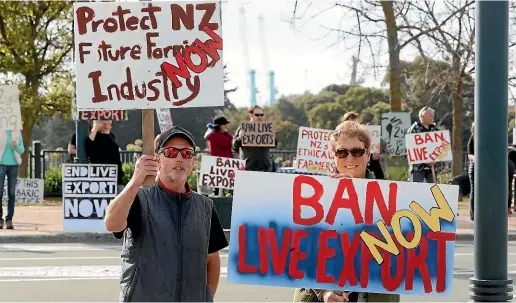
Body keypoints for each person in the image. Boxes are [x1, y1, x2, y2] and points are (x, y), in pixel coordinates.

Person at [104, 125, 228, 302]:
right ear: (157, 159)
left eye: (186, 153)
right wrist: (135, 182)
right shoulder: (139, 198)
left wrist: (206, 298)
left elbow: (212, 261)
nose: (179, 158)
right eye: (170, 152)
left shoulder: (205, 206)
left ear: (193, 161)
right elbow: (111, 224)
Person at [292, 121, 399, 303]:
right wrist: (324, 292)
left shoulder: (389, 197)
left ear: (367, 153)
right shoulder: (313, 197)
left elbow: (401, 249)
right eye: (342, 152)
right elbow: (300, 251)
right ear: (333, 156)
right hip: (323, 294)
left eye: (357, 152)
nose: (350, 159)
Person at [342, 112, 387, 179]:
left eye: (356, 121)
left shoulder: (361, 132)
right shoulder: (340, 133)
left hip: (361, 157)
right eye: (351, 120)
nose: (353, 123)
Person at [233, 105, 277, 172]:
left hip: (265, 168)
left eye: (262, 115)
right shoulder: (242, 128)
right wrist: (239, 138)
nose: (260, 117)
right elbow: (234, 146)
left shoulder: (267, 129)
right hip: (247, 168)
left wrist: (274, 137)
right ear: (251, 115)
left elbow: (274, 145)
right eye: (257, 115)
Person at [85, 120, 124, 192]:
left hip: (116, 175)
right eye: (108, 120)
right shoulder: (94, 136)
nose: (110, 122)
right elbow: (88, 144)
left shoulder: (111, 135)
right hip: (102, 176)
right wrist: (96, 127)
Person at [407, 106, 438, 183]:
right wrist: (425, 160)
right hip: (417, 167)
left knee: (433, 190)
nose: (432, 118)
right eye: (430, 116)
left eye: (433, 116)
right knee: (417, 190)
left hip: (432, 167)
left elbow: (440, 146)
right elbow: (411, 148)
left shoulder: (434, 129)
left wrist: (436, 159)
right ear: (422, 116)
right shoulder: (414, 129)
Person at [0, 130, 24, 229]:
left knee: (11, 193)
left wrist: (15, 146)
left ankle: (9, 219)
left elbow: (22, 150)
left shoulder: (17, 132)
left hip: (13, 166)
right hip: (1, 164)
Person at [467, 124, 475, 221]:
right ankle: (473, 214)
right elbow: (470, 154)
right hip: (474, 167)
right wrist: (475, 158)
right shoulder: (472, 139)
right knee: (474, 190)